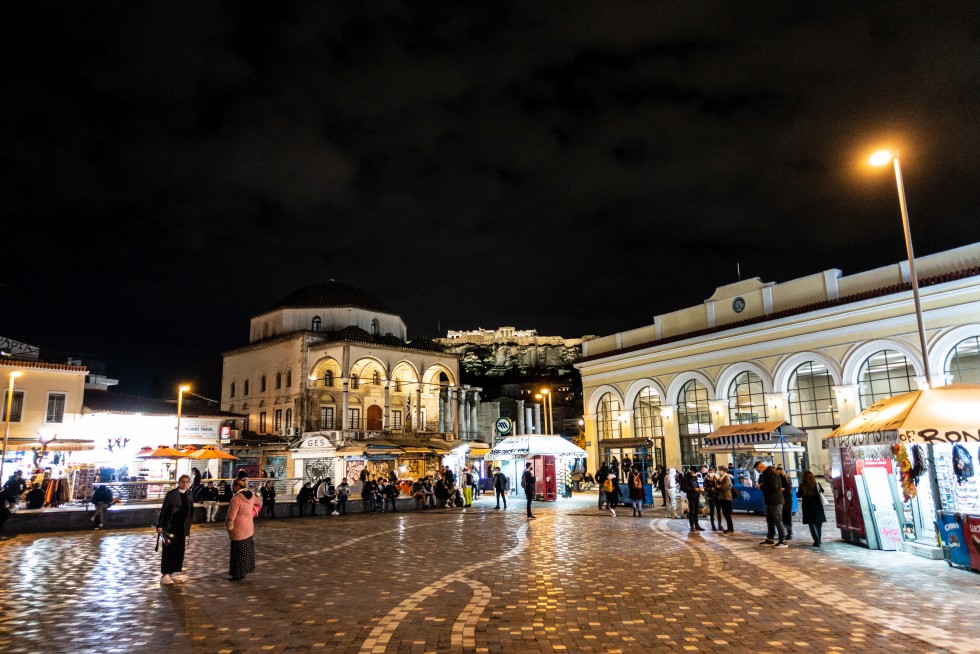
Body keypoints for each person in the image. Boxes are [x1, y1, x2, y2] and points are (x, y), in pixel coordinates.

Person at [156, 474, 195, 585]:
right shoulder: (171, 494)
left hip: (182, 527)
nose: (184, 484)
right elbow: (164, 509)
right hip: (170, 526)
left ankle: (171, 571)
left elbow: (190, 512)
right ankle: (165, 574)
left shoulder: (189, 494)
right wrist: (160, 524)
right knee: (168, 550)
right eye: (182, 481)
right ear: (178, 482)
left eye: (187, 482)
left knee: (179, 550)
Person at [225, 478, 261, 581]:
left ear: (237, 486)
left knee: (237, 552)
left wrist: (229, 525)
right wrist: (252, 514)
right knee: (246, 551)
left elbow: (232, 515)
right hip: (249, 527)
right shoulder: (251, 495)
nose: (232, 487)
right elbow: (260, 503)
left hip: (238, 528)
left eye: (233, 485)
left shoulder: (236, 498)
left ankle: (237, 574)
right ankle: (244, 572)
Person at [756, 460, 787, 547]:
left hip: (775, 501)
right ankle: (770, 538)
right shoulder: (765, 474)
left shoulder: (772, 473)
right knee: (769, 520)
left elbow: (774, 486)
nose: (758, 471)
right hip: (769, 500)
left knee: (777, 520)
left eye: (758, 469)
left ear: (761, 467)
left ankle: (783, 541)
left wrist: (761, 486)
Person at [798, 470, 827, 547]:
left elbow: (798, 495)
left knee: (811, 524)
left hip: (807, 507)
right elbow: (822, 491)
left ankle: (816, 540)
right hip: (817, 507)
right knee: (818, 524)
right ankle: (819, 539)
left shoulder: (802, 485)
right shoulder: (816, 484)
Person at [681, 467, 704, 532]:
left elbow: (696, 485)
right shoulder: (685, 478)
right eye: (694, 472)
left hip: (696, 495)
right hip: (691, 496)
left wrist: (700, 489)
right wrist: (693, 489)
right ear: (691, 471)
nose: (695, 474)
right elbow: (684, 488)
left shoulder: (695, 477)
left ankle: (697, 524)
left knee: (696, 511)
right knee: (692, 511)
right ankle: (692, 525)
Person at [715, 468, 735, 533]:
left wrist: (718, 487)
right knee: (725, 513)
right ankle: (730, 528)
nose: (719, 472)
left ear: (723, 471)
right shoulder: (721, 478)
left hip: (727, 497)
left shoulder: (727, 478)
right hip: (723, 497)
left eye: (720, 470)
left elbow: (723, 488)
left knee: (727, 513)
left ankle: (730, 528)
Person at [776, 465, 794, 540]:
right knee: (786, 517)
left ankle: (786, 532)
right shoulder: (787, 478)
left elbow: (786, 489)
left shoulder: (783, 478)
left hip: (783, 500)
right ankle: (787, 532)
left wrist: (780, 489)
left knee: (783, 517)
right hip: (786, 500)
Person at [703, 467, 721, 531]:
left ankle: (720, 525)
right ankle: (713, 525)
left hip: (717, 496)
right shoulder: (706, 478)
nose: (711, 472)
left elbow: (720, 485)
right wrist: (711, 489)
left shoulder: (717, 477)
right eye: (710, 471)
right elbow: (704, 488)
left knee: (718, 510)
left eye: (712, 471)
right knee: (712, 511)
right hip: (711, 496)